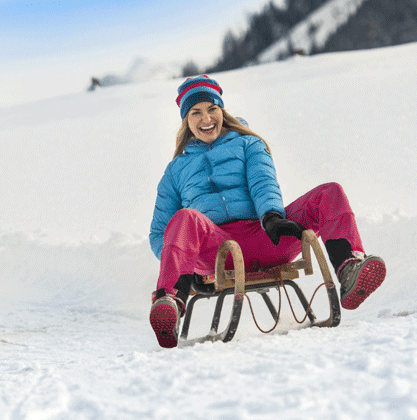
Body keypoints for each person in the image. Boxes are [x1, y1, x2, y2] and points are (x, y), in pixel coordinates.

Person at [148, 75, 387, 349]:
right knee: (185, 219)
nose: (206, 119)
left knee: (329, 193)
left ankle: (349, 268)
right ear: (186, 120)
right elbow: (160, 234)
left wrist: (272, 216)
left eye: (212, 108)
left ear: (222, 110)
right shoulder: (175, 171)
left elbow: (263, 181)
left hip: (267, 235)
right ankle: (171, 301)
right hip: (216, 253)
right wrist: (186, 270)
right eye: (196, 112)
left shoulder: (248, 144)